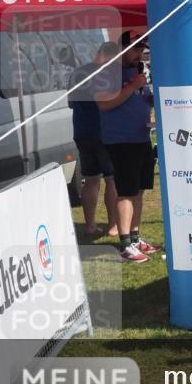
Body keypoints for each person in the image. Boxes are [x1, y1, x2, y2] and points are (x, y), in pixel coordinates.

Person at [93, 31, 161, 263]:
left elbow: (143, 97)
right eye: (135, 49)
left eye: (142, 49)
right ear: (121, 48)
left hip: (141, 136)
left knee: (139, 190)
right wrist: (132, 87)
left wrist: (151, 98)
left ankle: (135, 237)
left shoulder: (137, 72)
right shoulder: (107, 73)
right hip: (121, 141)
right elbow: (103, 104)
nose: (139, 54)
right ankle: (125, 245)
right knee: (127, 192)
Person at [68, 41, 119, 239]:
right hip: (104, 131)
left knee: (90, 179)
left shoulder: (77, 73)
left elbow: (71, 103)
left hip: (82, 131)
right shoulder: (108, 74)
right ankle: (114, 225)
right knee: (112, 179)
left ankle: (90, 225)